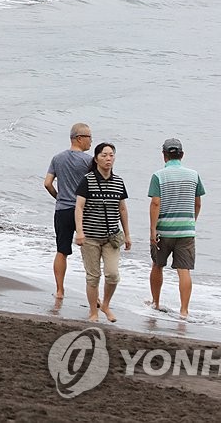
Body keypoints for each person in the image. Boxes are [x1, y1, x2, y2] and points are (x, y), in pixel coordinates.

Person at [148, 138, 206, 320]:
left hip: (163, 230)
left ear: (164, 155)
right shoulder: (193, 175)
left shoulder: (158, 176)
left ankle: (155, 303)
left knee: (157, 265)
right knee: (184, 270)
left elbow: (156, 203)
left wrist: (152, 229)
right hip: (186, 231)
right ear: (182, 155)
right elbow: (197, 203)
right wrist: (191, 222)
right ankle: (184, 311)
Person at [74, 142, 132, 323]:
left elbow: (122, 209)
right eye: (104, 155)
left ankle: (105, 305)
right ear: (96, 158)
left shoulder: (118, 181)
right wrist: (80, 232)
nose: (108, 158)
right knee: (93, 277)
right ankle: (93, 311)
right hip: (90, 236)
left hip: (111, 237)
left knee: (113, 274)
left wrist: (128, 235)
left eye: (111, 155)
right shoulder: (88, 180)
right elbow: (79, 207)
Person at [44, 123, 93, 301]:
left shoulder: (57, 158)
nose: (91, 141)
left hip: (63, 209)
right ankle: (93, 294)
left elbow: (47, 183)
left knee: (61, 250)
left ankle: (59, 290)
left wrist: (59, 197)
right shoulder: (89, 161)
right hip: (84, 212)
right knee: (90, 253)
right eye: (89, 137)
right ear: (79, 138)